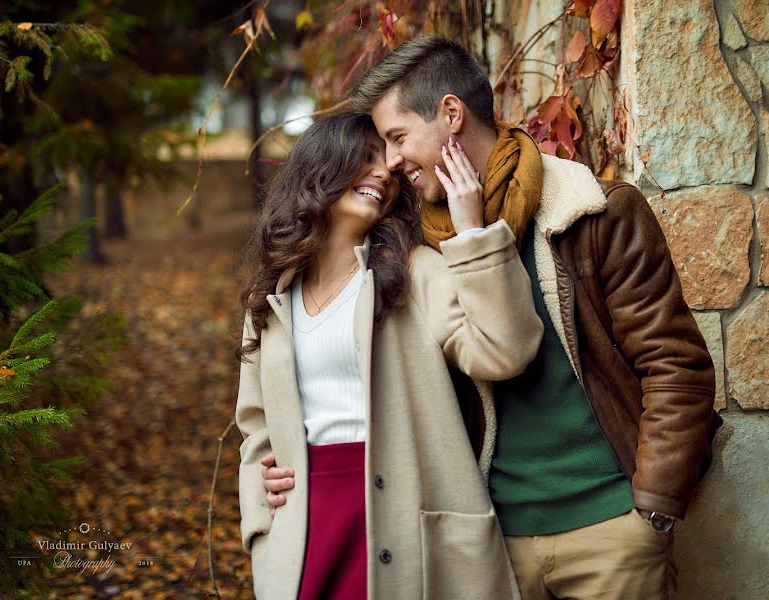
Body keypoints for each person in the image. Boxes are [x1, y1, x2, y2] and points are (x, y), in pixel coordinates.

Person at [263, 36, 722, 599]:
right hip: (492, 538)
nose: (391, 160)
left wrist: (653, 510)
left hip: (609, 528)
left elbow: (675, 365)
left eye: (398, 137)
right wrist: (282, 460)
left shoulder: (591, 213)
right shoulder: (412, 248)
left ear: (451, 114)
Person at [235, 111, 542, 600]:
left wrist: (472, 233)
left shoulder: (415, 274)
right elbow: (255, 426)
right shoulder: (272, 297)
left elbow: (505, 351)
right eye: (366, 158)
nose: (383, 172)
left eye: (390, 167)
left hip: (403, 511)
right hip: (304, 521)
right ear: (322, 165)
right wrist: (259, 499)